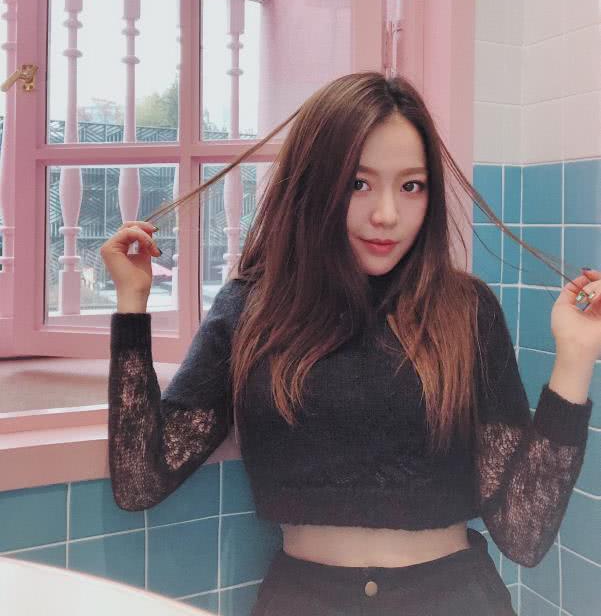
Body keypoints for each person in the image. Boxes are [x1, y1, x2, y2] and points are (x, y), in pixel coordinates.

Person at [101, 73, 598, 616]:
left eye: (411, 186)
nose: (386, 214)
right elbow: (140, 480)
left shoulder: (465, 310)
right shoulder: (252, 309)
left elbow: (523, 533)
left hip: (453, 599)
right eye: (359, 184)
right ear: (313, 185)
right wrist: (132, 305)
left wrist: (575, 357)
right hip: (302, 602)